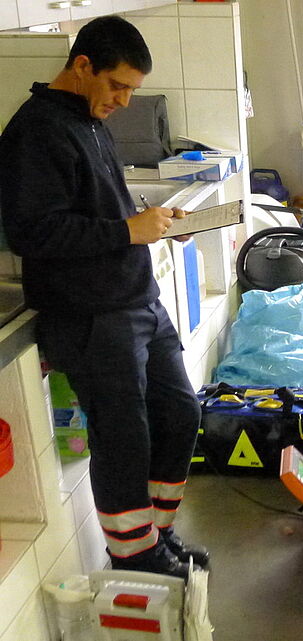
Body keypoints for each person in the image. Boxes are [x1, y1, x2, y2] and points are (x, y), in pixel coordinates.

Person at [0, 16, 207, 578]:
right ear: (82, 65)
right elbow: (32, 232)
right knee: (123, 436)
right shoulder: (36, 131)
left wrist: (154, 222)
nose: (124, 100)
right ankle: (133, 555)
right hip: (90, 315)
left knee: (180, 414)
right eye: (117, 86)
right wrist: (126, 231)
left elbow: (99, 207)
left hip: (137, 300)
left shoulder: (89, 120)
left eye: (132, 90)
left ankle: (156, 536)